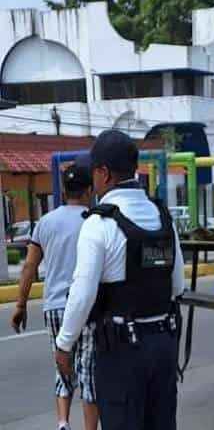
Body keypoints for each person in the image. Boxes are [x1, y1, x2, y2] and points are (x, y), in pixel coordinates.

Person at [54, 130, 185, 430]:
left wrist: (64, 345)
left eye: (94, 171)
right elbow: (177, 286)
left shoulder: (99, 224)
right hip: (164, 346)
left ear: (104, 173)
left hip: (122, 353)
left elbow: (82, 294)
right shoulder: (163, 217)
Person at [10, 161, 98, 430]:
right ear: (89, 190)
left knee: (63, 367)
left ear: (63, 190)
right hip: (85, 307)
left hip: (54, 308)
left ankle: (62, 423)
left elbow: (29, 266)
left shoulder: (46, 222)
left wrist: (21, 305)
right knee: (87, 373)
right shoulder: (94, 221)